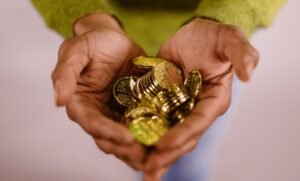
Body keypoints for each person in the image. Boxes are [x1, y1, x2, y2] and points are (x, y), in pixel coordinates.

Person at [31, 0, 285, 180]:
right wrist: (86, 15)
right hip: (111, 40)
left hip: (213, 59)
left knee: (194, 158)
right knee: (141, 154)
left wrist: (230, 12)